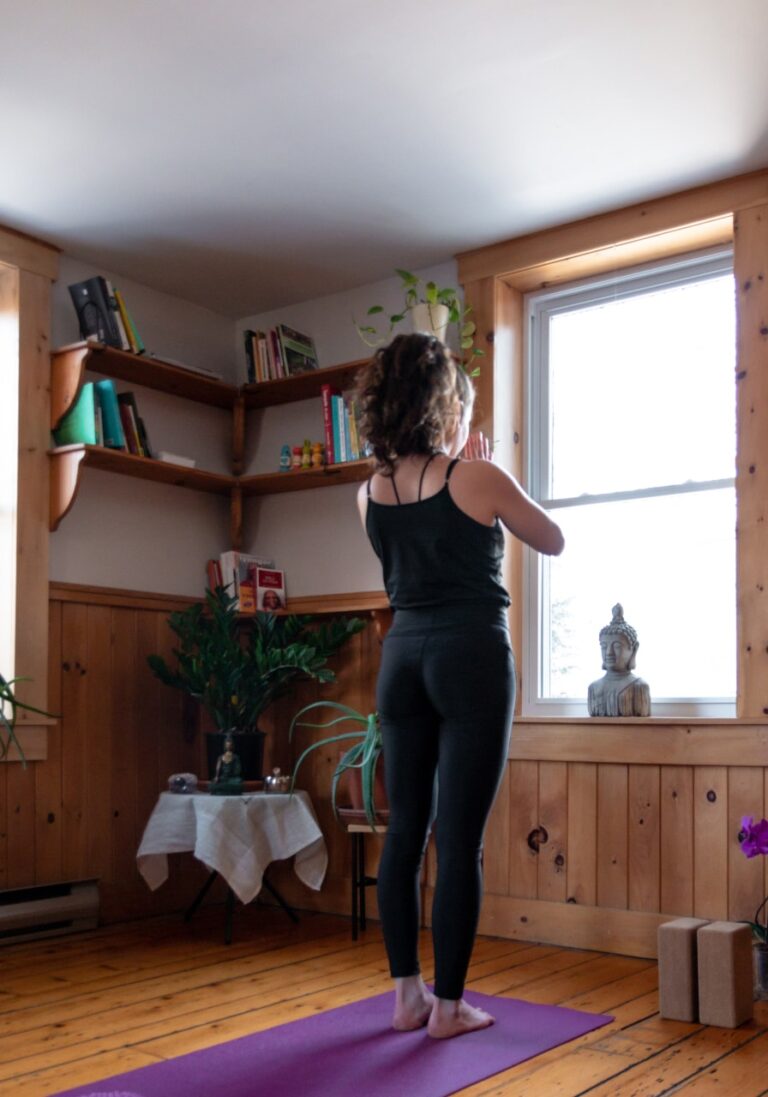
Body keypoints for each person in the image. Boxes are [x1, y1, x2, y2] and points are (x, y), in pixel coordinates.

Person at [355, 333, 564, 1039]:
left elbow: (409, 561)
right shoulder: (475, 477)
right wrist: (493, 475)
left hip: (401, 655)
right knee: (460, 838)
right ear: (446, 405)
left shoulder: (369, 491)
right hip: (470, 654)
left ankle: (405, 997)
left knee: (405, 832)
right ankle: (449, 1007)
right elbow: (552, 537)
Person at [587, 603, 651, 716]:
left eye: (617, 646)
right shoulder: (593, 688)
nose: (609, 652)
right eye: (604, 646)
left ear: (633, 650)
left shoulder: (639, 687)